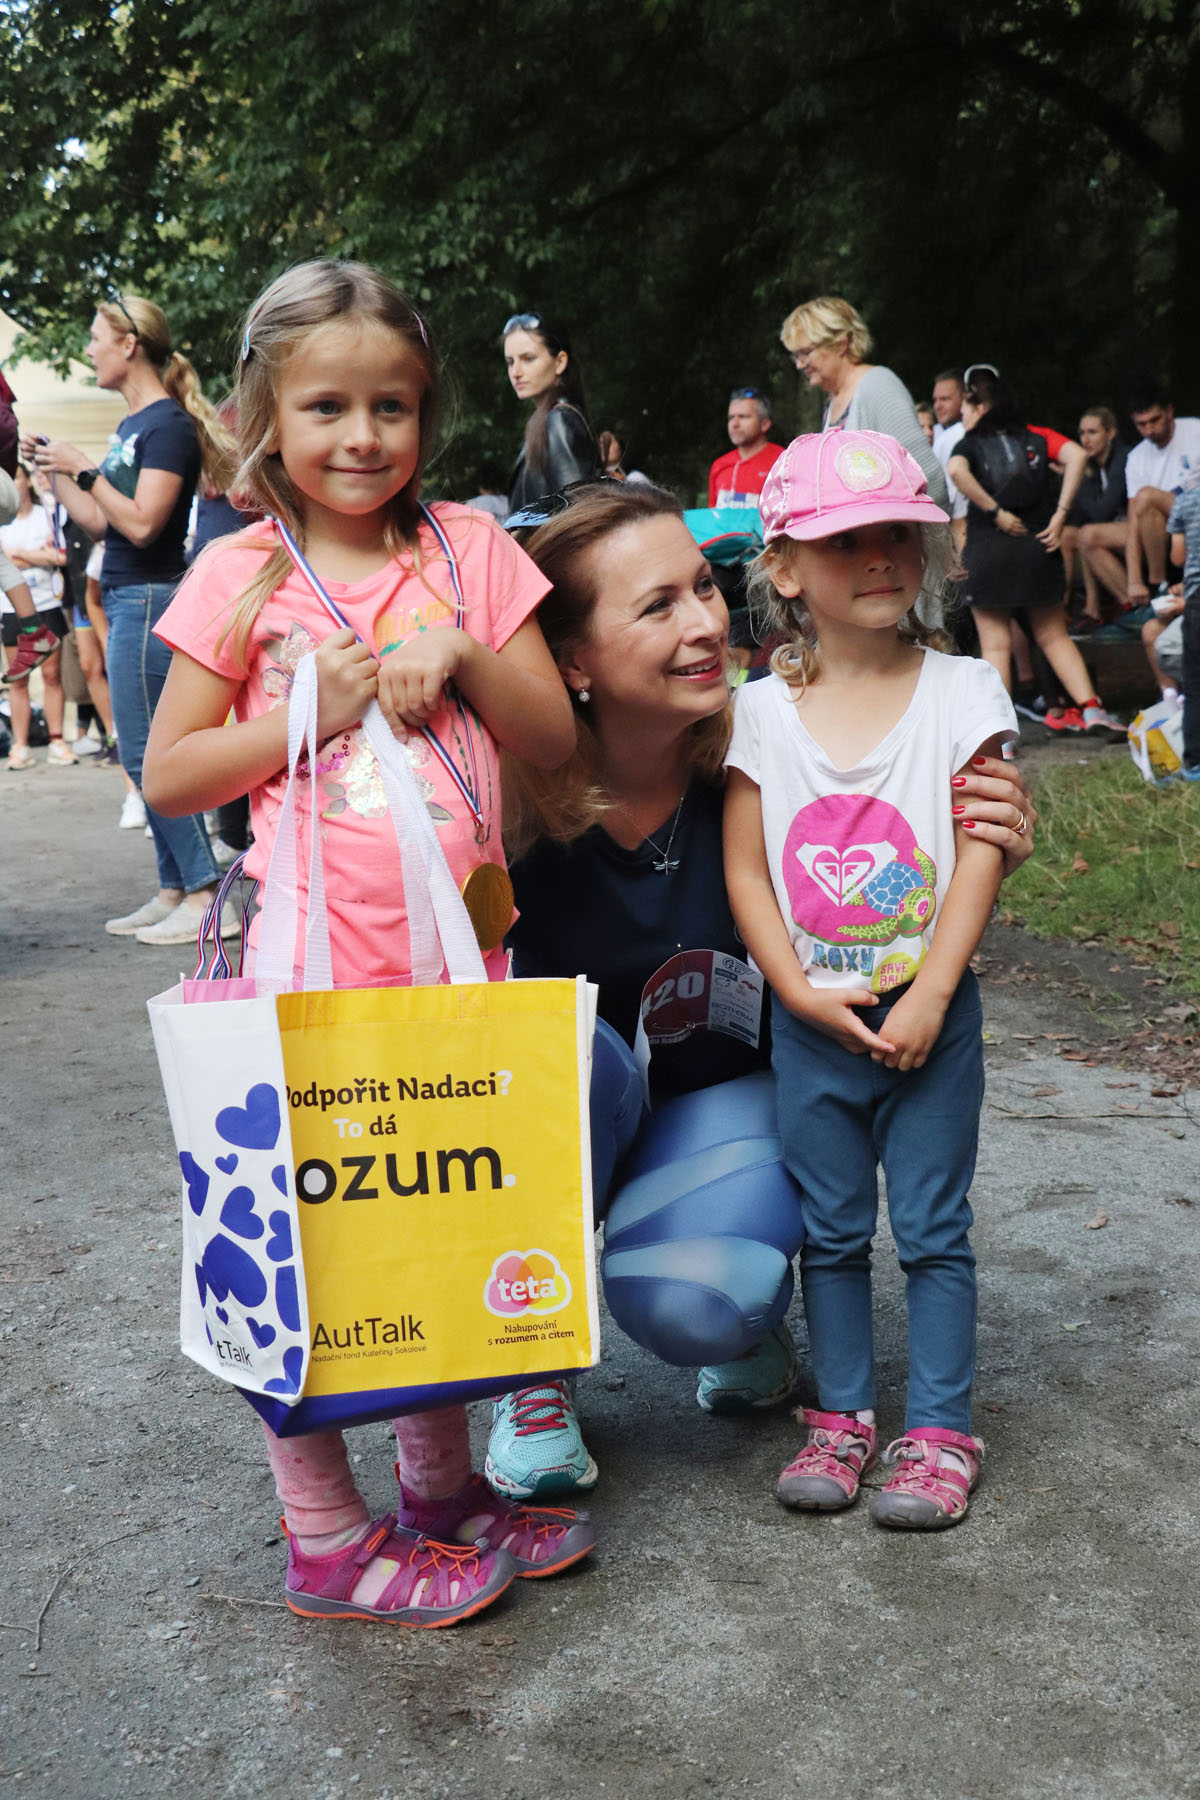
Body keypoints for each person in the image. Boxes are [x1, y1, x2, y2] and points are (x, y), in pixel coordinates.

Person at [142, 258, 589, 1628]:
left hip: (459, 969)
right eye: (325, 406)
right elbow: (171, 774)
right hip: (303, 980)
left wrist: (465, 652)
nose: (361, 436)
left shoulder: (469, 550)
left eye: (391, 405)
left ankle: (440, 1493)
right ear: (263, 415)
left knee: (437, 1233)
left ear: (426, 413)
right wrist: (309, 714)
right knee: (311, 1248)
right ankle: (327, 1535)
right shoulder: (239, 572)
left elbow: (553, 738)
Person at [493, 479, 1035, 1500]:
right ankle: (527, 1362)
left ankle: (744, 1311)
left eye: (703, 587)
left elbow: (912, 838)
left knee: (703, 1302)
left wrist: (992, 828)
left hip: (721, 1105)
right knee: (551, 1051)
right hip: (564, 1114)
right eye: (657, 606)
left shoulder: (770, 746)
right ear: (571, 661)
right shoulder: (501, 801)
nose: (706, 623)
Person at [722, 429, 1017, 1531]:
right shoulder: (760, 711)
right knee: (832, 1232)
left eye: (898, 532)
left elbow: (982, 846)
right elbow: (746, 869)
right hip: (814, 1023)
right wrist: (797, 994)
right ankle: (841, 1415)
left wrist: (935, 990)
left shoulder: (964, 691)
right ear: (786, 568)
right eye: (847, 541)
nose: (881, 555)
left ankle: (937, 1431)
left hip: (932, 1016)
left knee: (934, 1228)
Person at [23, 293, 233, 944]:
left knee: (147, 754)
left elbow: (142, 524)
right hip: (126, 596)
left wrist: (84, 467)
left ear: (129, 344)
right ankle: (175, 888)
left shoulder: (166, 425)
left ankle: (206, 894)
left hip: (148, 597)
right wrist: (55, 470)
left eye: (95, 338)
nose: (88, 350)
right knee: (139, 752)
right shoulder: (135, 424)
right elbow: (98, 521)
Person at [947, 370, 1125, 737]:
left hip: (988, 551)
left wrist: (995, 511)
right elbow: (1076, 455)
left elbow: (956, 471)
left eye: (965, 407)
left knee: (995, 645)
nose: (962, 415)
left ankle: (1000, 736)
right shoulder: (1035, 436)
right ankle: (1093, 709)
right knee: (1054, 636)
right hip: (1038, 547)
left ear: (980, 408)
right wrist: (1060, 515)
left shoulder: (969, 443)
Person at [780, 297, 948, 509]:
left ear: (840, 344)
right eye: (795, 356)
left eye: (805, 353)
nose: (799, 364)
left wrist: (896, 527)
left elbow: (928, 477)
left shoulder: (878, 385)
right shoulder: (833, 403)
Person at [1082, 387, 1200, 641]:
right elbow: (1134, 521)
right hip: (1159, 529)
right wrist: (1134, 580)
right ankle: (1138, 607)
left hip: (1194, 521)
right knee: (1087, 536)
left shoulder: (1195, 431)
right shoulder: (1137, 456)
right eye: (1141, 424)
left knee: (1147, 497)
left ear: (1169, 411)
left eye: (1154, 420)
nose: (1149, 430)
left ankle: (1159, 588)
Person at [0, 463, 71, 767]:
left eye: (17, 477)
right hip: (10, 609)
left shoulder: (46, 516)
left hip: (45, 602)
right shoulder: (4, 522)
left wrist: (20, 555)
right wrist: (36, 557)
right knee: (18, 678)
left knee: (52, 675)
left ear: (26, 482)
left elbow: (59, 556)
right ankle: (21, 745)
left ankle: (57, 740)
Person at [503, 312, 600, 511]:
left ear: (560, 362)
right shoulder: (545, 420)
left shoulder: (560, 420)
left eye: (528, 358)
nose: (515, 372)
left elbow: (578, 513)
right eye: (510, 362)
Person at [1065, 407, 1128, 625]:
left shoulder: (1123, 459)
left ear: (1110, 433)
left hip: (1135, 530)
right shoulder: (1093, 464)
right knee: (1066, 534)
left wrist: (1077, 478)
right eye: (1082, 433)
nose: (1085, 439)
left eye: (1092, 432)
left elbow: (1101, 513)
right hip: (1108, 528)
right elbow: (1080, 517)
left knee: (1088, 534)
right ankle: (1063, 612)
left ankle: (1130, 604)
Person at [1167, 471, 1200, 778]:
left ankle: (1195, 762)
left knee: (1195, 683)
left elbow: (1178, 556)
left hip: (1197, 600)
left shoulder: (1187, 496)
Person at [707, 389, 784, 507]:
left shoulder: (783, 461)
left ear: (764, 424)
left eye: (743, 417)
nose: (734, 424)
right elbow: (713, 515)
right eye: (731, 417)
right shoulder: (719, 465)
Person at [930, 369, 969, 550]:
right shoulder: (936, 432)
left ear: (963, 399)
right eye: (935, 400)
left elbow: (953, 502)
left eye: (945, 399)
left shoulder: (957, 435)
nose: (937, 406)